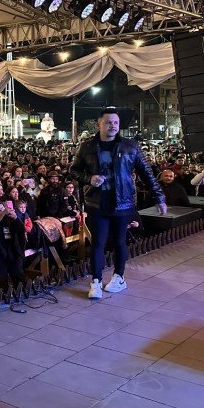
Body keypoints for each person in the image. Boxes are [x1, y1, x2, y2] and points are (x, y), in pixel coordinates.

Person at [70, 107, 167, 300]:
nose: (112, 126)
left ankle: (119, 277)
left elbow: (147, 173)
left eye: (116, 122)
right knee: (98, 243)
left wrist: (159, 197)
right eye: (108, 122)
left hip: (122, 203)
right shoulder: (87, 146)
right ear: (99, 124)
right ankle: (96, 281)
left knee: (120, 242)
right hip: (97, 203)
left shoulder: (130, 146)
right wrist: (89, 178)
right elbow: (74, 170)